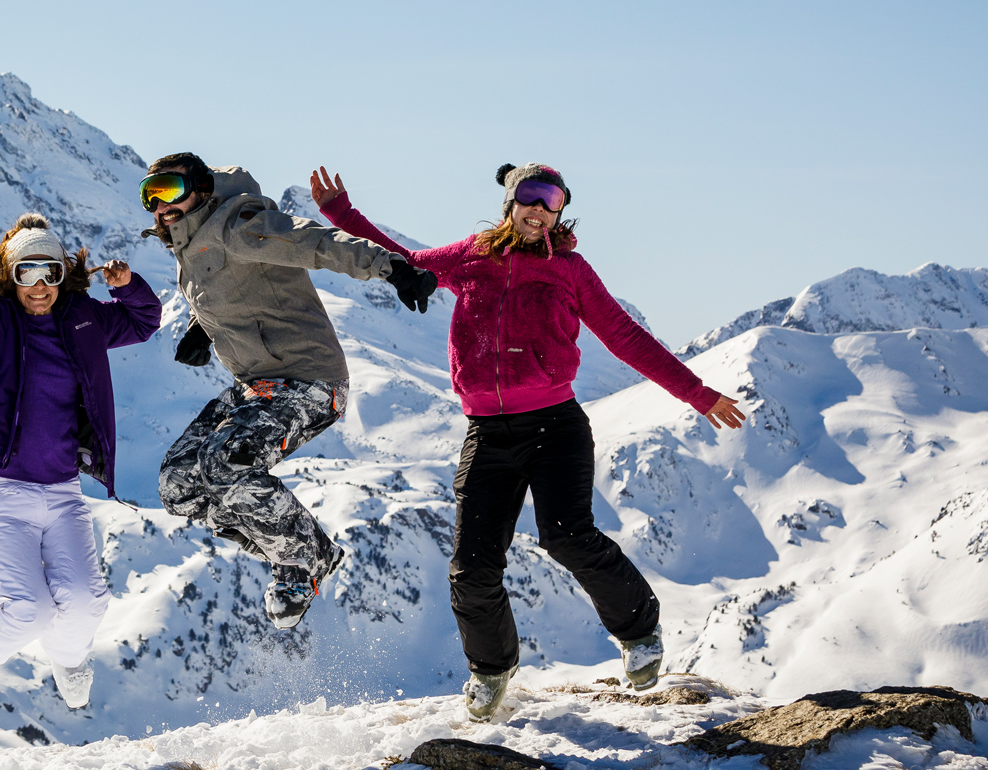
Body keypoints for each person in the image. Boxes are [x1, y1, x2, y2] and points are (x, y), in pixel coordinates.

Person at [309, 162, 748, 721]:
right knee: (472, 565)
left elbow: (625, 336)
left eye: (552, 201)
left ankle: (641, 633)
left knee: (567, 535)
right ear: (511, 200)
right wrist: (342, 215)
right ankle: (492, 673)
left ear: (560, 211)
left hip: (555, 425)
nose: (540, 209)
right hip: (487, 432)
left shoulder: (570, 269)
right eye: (531, 197)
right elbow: (404, 265)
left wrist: (697, 393)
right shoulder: (471, 257)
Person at [144, 153, 439, 629]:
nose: (161, 206)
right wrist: (204, 327)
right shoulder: (190, 244)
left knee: (228, 464)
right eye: (150, 196)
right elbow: (236, 286)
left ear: (199, 187)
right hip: (256, 384)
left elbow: (315, 243)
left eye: (170, 190)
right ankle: (290, 549)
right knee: (178, 485)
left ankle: (305, 558)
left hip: (309, 380)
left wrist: (391, 267)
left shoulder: (238, 224)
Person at [0, 168, 162, 720]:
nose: (40, 282)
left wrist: (127, 287)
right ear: (11, 274)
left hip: (64, 494)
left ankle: (69, 660)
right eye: (26, 270)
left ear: (60, 274)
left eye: (49, 270)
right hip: (4, 497)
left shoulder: (83, 320)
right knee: (26, 608)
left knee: (87, 601)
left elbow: (145, 321)